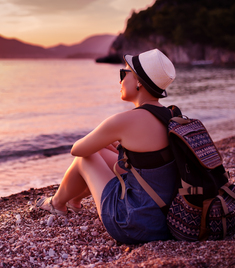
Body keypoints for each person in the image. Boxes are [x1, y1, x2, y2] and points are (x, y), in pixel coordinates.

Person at [36, 49, 178, 244]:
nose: (120, 81)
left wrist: (103, 134)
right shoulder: (171, 116)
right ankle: (74, 202)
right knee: (103, 151)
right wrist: (112, 143)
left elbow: (77, 150)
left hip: (134, 224)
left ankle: (57, 203)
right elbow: (146, 165)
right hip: (169, 219)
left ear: (138, 81)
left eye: (123, 73)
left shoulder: (126, 120)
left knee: (87, 158)